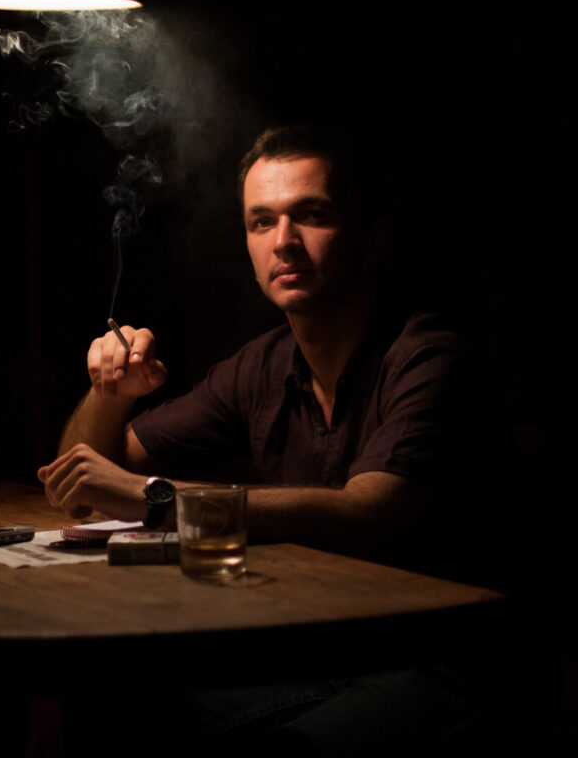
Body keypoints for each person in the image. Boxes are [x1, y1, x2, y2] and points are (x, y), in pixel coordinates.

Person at [38, 124, 514, 755]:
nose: (284, 243)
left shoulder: (428, 356)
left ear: (374, 238)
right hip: (313, 652)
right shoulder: (261, 364)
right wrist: (111, 394)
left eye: (311, 216)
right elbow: (88, 479)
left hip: (442, 664)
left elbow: (367, 513)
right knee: (94, 695)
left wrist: (155, 498)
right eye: (262, 222)